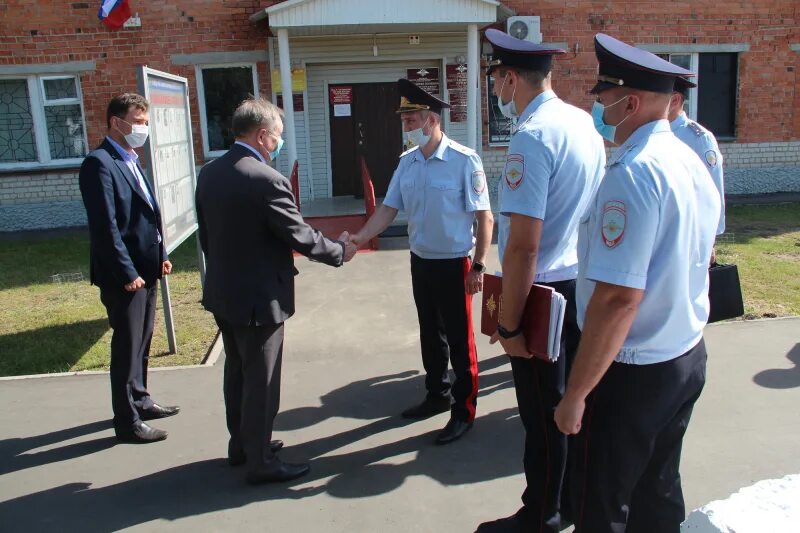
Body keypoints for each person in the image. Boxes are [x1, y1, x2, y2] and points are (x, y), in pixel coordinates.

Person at [554, 34, 720, 531]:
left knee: (599, 501)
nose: (598, 110)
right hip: (684, 355)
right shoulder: (690, 159)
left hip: (631, 370)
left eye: (602, 98)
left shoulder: (632, 174)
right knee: (658, 491)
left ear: (629, 102)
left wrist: (576, 393)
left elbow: (617, 299)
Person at [476, 29, 607, 532]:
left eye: (496, 83)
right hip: (578, 285)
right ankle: (569, 502)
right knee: (572, 405)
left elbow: (523, 244)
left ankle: (542, 514)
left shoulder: (531, 137)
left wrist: (508, 326)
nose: (496, 94)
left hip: (540, 289)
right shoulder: (580, 122)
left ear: (509, 79)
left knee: (542, 414)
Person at [195, 97, 357, 485]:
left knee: (236, 372)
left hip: (224, 292)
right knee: (262, 381)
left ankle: (243, 445)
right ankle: (260, 461)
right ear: (263, 135)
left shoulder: (210, 172)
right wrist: (341, 251)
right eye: (279, 137)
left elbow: (206, 233)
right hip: (260, 298)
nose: (280, 145)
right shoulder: (267, 180)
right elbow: (298, 234)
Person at [349, 79, 494, 445]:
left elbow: (484, 217)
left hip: (455, 264)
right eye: (405, 122)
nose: (406, 128)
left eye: (411, 121)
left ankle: (464, 410)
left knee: (461, 341)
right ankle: (437, 394)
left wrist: (479, 266)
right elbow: (387, 210)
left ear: (431, 119)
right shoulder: (407, 164)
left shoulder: (464, 160)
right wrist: (358, 239)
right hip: (421, 262)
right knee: (431, 334)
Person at [79, 93, 179, 444]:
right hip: (126, 278)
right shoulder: (99, 163)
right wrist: (126, 273)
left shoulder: (133, 160)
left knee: (142, 342)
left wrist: (161, 253)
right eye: (137, 121)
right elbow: (105, 227)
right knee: (127, 346)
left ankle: (141, 399)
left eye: (145, 122)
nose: (143, 128)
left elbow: (148, 213)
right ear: (115, 122)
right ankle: (127, 422)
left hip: (147, 270)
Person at [669, 77, 726, 238]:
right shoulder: (650, 132)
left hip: (689, 233)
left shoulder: (697, 138)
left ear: (675, 100)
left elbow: (713, 190)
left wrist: (710, 238)